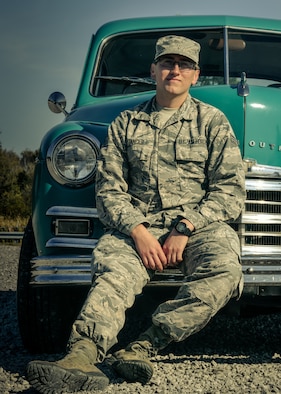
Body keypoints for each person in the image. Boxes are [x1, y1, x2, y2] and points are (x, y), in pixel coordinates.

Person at [26, 35, 246, 393]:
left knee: (225, 270)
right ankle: (81, 355)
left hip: (197, 226)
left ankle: (144, 346)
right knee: (113, 272)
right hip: (136, 225)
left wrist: (186, 225)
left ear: (195, 75)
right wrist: (138, 230)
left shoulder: (212, 122)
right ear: (153, 70)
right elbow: (109, 190)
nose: (175, 70)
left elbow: (230, 191)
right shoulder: (125, 123)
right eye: (167, 63)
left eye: (184, 65)